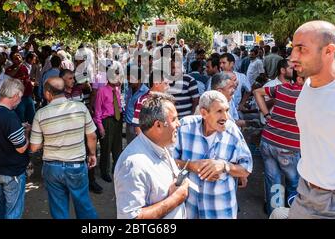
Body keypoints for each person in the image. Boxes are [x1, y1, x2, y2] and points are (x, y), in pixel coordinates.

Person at [288, 20, 335, 219]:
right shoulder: (307, 87)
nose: (293, 57)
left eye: (301, 49)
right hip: (305, 195)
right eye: (293, 49)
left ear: (329, 50)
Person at [174, 91, 253, 219]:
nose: (226, 117)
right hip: (189, 207)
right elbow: (168, 161)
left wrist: (224, 166)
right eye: (219, 111)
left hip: (220, 210)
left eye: (227, 110)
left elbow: (247, 168)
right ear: (204, 113)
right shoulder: (185, 127)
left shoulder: (232, 131)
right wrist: (190, 166)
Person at [30, 77, 98, 219]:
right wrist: (92, 154)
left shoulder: (40, 114)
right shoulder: (80, 108)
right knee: (84, 206)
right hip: (76, 166)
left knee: (59, 209)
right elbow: (91, 136)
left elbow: (34, 147)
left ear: (48, 93)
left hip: (52, 168)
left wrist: (47, 139)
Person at [114, 92, 188, 219]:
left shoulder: (161, 145)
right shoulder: (133, 165)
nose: (178, 124)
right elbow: (131, 217)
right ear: (158, 125)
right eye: (174, 119)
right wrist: (176, 198)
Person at [254, 72, 304, 216]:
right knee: (293, 183)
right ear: (300, 78)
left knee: (273, 181)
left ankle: (274, 213)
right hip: (288, 147)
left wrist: (267, 115)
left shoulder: (281, 88)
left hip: (268, 141)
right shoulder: (307, 94)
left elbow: (257, 92)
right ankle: (290, 213)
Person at [0, 78, 30, 219]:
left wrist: (19, 129)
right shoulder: (10, 117)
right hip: (11, 172)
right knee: (13, 211)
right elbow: (21, 148)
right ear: (15, 96)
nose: (20, 101)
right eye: (20, 98)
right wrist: (26, 133)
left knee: (0, 207)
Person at [61, 69, 103, 194]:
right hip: (68, 131)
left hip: (83, 128)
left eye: (73, 78)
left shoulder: (79, 90)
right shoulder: (59, 95)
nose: (73, 80)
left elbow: (86, 105)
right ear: (62, 80)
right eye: (70, 78)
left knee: (90, 153)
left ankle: (91, 181)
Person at [93, 65, 123, 183]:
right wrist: (100, 127)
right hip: (107, 121)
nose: (119, 79)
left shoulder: (117, 90)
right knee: (106, 147)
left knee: (117, 147)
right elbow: (98, 111)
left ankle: (117, 169)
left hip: (118, 119)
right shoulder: (102, 91)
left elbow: (118, 105)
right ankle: (104, 171)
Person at [6, 52, 35, 123]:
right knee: (21, 119)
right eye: (16, 58)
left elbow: (27, 80)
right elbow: (11, 74)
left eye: (19, 56)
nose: (18, 58)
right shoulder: (9, 69)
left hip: (28, 96)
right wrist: (19, 66)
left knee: (32, 118)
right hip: (18, 98)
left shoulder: (24, 67)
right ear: (12, 60)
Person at [168, 54, 200, 120]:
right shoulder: (165, 81)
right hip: (171, 119)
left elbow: (196, 100)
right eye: (173, 67)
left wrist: (192, 115)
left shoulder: (189, 80)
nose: (175, 70)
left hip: (186, 119)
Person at [124, 66, 149, 144]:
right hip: (129, 125)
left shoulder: (145, 92)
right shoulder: (129, 89)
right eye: (128, 79)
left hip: (139, 127)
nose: (129, 82)